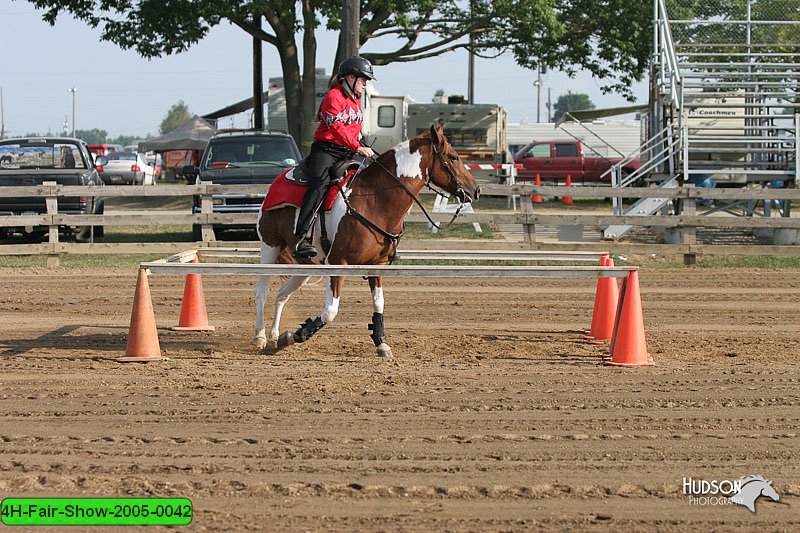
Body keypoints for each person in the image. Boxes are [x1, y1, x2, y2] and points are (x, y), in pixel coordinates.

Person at [293, 55, 377, 259]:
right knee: (318, 186)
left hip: (346, 151)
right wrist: (357, 146)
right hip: (326, 152)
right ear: (350, 77)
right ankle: (301, 237)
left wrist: (360, 141)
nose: (366, 84)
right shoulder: (333, 96)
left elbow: (352, 128)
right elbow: (336, 127)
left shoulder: (356, 100)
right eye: (363, 79)